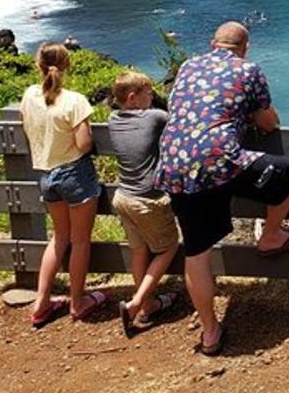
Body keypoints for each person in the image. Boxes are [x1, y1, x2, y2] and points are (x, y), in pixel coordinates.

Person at [156, 21, 289, 356]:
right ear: (245, 47)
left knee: (197, 251)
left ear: (214, 44)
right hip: (219, 161)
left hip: (174, 166)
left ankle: (210, 333)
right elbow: (268, 122)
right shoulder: (248, 70)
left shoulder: (188, 66)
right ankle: (271, 235)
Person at [20, 43, 107, 328]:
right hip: (74, 173)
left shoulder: (30, 95)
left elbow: (27, 129)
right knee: (80, 241)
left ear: (38, 65)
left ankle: (41, 303)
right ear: (67, 65)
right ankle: (78, 301)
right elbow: (83, 143)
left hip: (46, 174)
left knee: (58, 238)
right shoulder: (75, 100)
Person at [109, 71, 180, 337]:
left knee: (139, 251)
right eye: (148, 93)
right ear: (132, 98)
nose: (153, 97)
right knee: (167, 249)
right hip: (147, 200)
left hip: (122, 197)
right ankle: (137, 303)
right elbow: (178, 124)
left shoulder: (113, 119)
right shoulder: (155, 117)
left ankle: (148, 305)